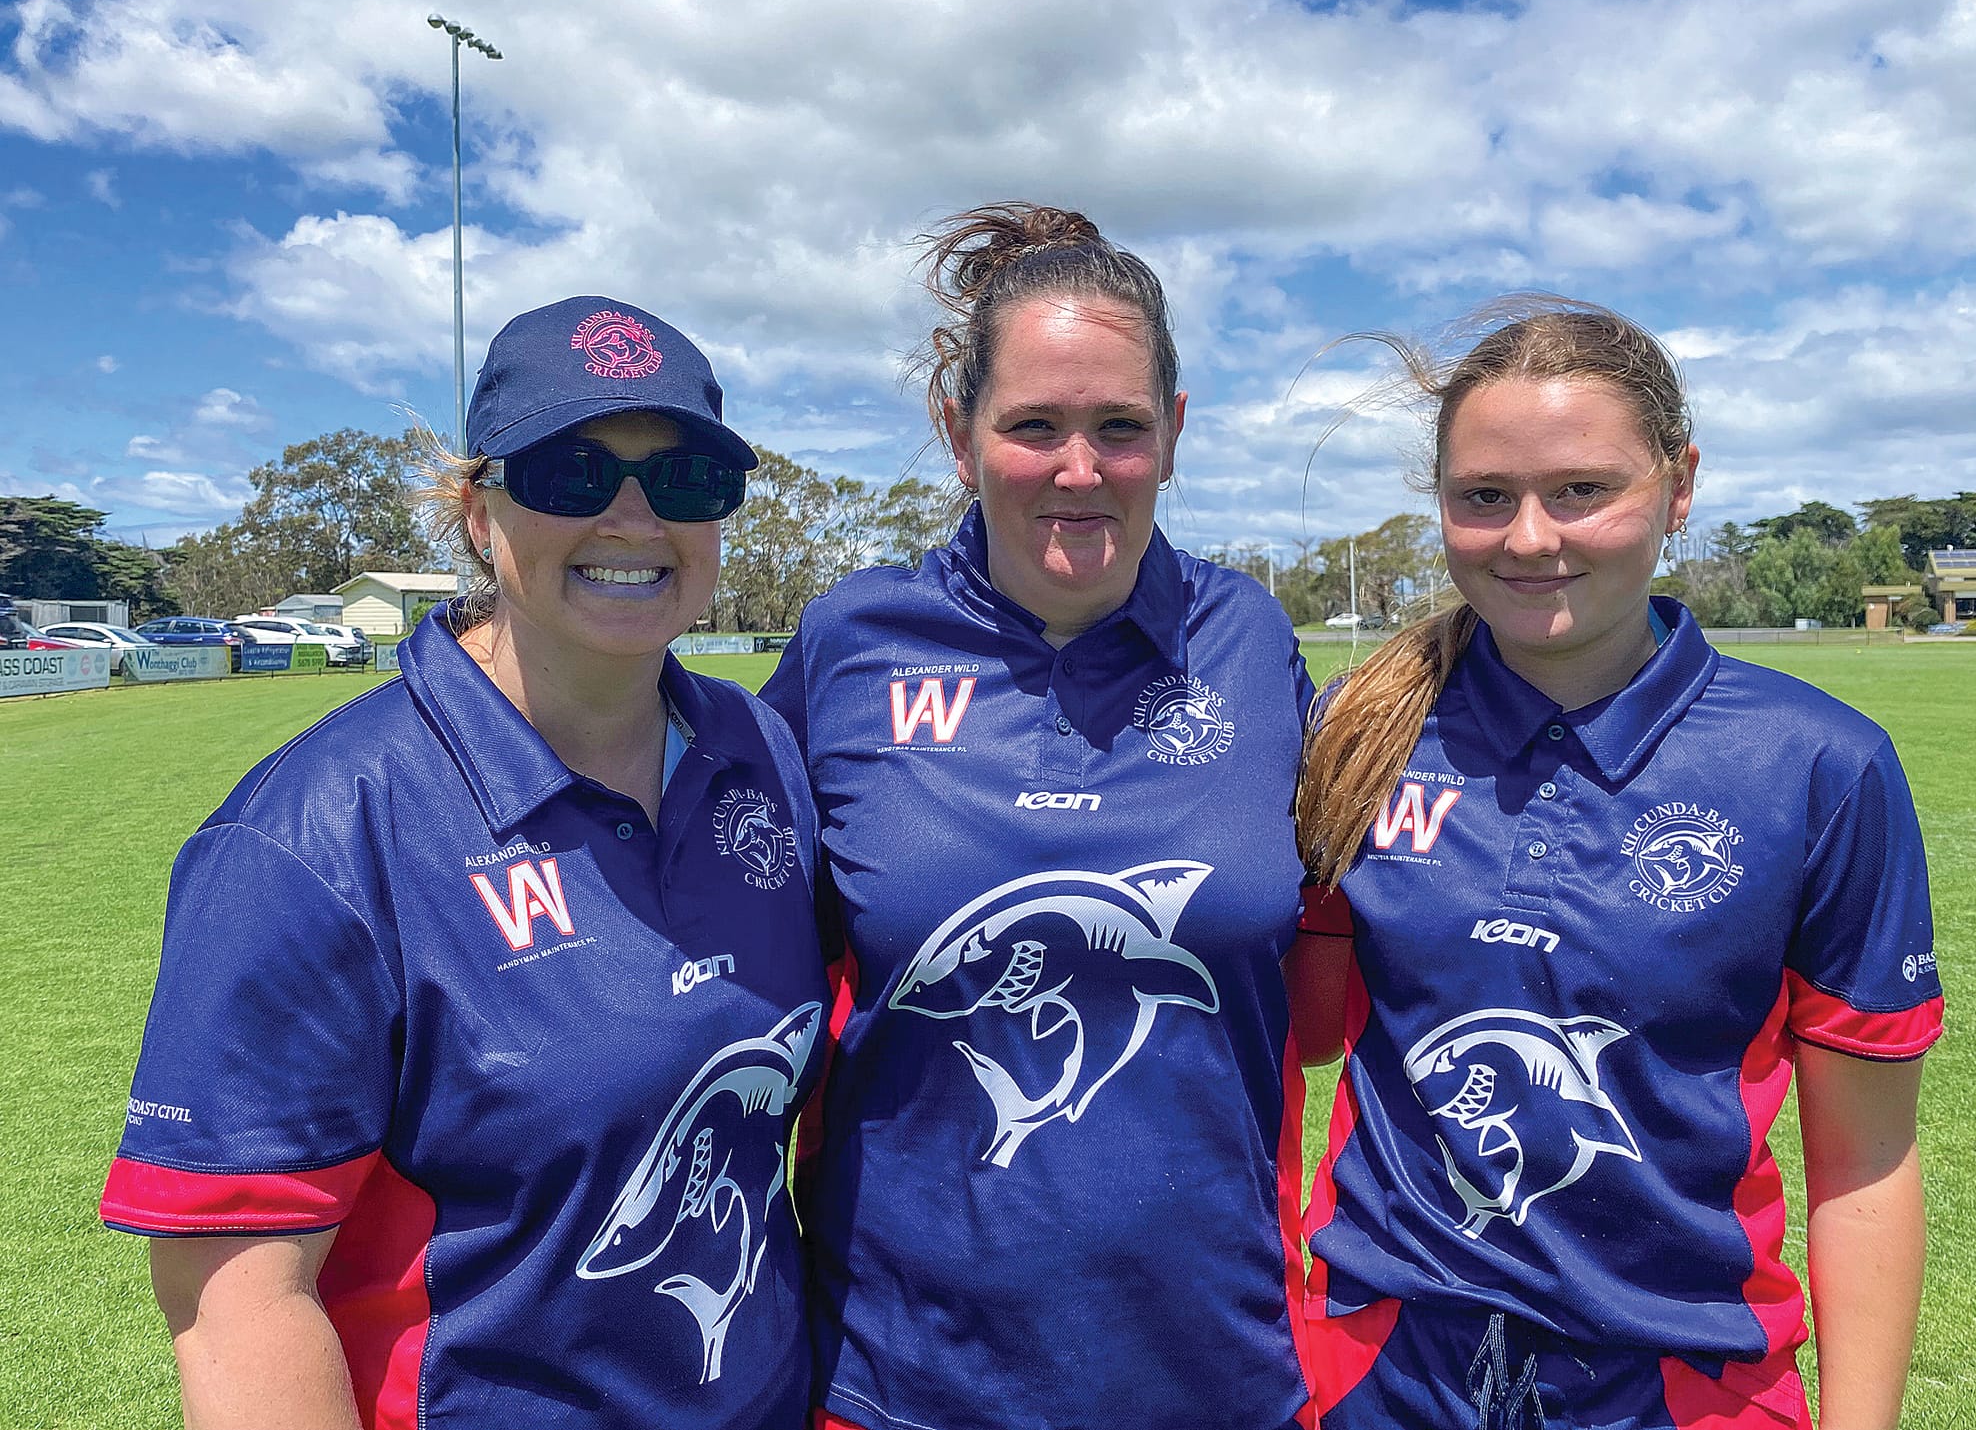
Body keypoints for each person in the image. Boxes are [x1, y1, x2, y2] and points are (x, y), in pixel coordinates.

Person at [99, 296, 830, 1430]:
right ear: (477, 509)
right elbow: (234, 1305)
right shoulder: (312, 836)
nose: (632, 517)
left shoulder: (759, 750)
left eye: (684, 479)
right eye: (568, 473)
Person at [1288, 301, 1943, 1430]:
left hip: (1681, 1380)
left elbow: (1864, 1165)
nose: (1529, 537)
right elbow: (1283, 1036)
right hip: (1379, 1365)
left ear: (1677, 486)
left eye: (1582, 490)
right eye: (1483, 496)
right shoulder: (1359, 729)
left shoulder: (1815, 765)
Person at [760, 203, 1316, 1430]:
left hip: (1213, 1364)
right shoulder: (852, 643)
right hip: (902, 1368)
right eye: (1031, 426)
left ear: (1172, 432)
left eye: (1119, 426)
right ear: (956, 435)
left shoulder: (1252, 641)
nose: (1079, 468)